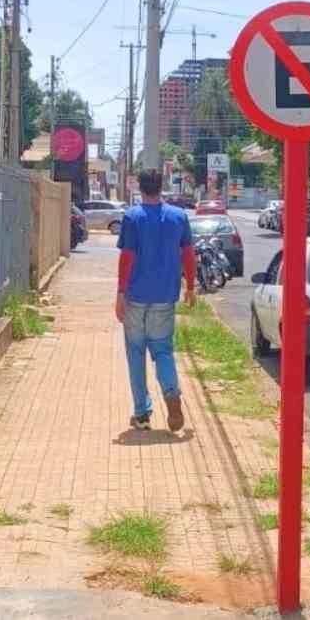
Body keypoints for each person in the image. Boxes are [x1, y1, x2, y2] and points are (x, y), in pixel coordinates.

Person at [115, 169, 196, 431]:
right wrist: (190, 287)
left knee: (135, 353)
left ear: (140, 187)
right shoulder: (179, 216)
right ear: (161, 187)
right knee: (163, 350)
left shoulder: (132, 217)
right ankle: (171, 394)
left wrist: (120, 293)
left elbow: (127, 257)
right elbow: (188, 254)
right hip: (165, 296)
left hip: (136, 297)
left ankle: (142, 414)